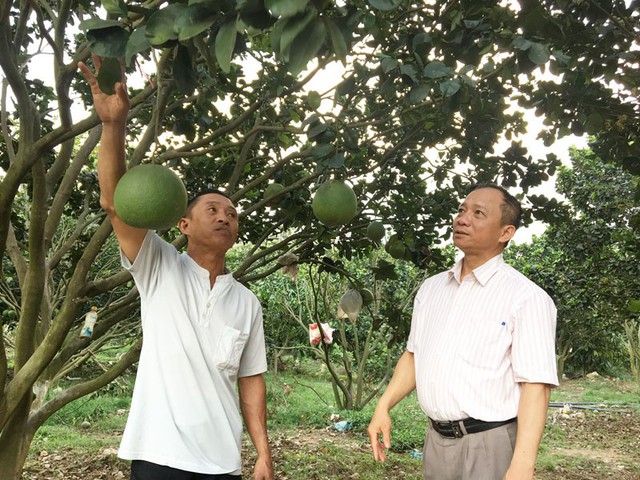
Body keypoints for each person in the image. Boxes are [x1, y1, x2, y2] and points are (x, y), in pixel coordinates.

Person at [79, 56, 274, 480]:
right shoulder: (159, 265)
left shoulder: (247, 303)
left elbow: (251, 379)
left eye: (232, 213)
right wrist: (113, 126)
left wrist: (262, 452)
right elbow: (115, 201)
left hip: (222, 462)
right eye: (212, 209)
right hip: (158, 456)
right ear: (183, 225)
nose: (225, 216)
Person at [368, 184, 558, 480]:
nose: (462, 219)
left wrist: (523, 464)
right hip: (436, 440)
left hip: (490, 444)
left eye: (478, 213)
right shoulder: (431, 289)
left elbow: (536, 386)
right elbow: (414, 356)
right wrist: (384, 404)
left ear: (505, 232)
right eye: (461, 210)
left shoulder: (526, 298)